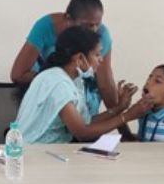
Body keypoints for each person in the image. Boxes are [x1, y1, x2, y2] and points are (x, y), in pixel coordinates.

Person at [15, 26, 152, 144]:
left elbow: (86, 122)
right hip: (34, 153)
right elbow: (82, 133)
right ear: (80, 58)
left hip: (52, 151)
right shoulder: (58, 83)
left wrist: (119, 108)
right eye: (97, 54)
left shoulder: (74, 80)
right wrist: (128, 115)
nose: (101, 59)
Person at [11, 0, 118, 115]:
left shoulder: (102, 35)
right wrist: (55, 81)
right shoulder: (46, 27)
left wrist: (121, 116)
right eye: (87, 25)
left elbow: (105, 85)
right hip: (48, 99)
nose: (93, 31)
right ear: (68, 19)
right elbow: (18, 75)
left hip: (80, 106)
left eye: (97, 25)